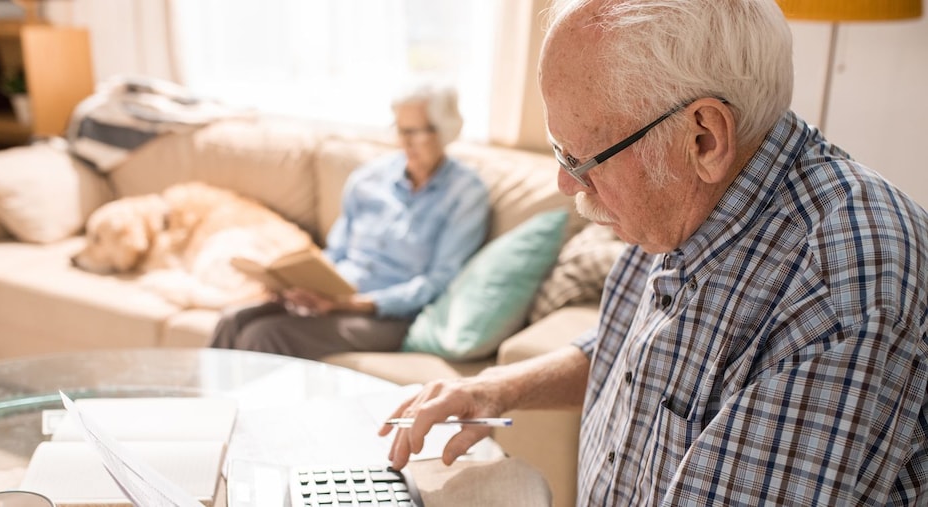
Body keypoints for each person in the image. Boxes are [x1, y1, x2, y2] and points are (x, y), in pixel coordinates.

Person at [380, 1, 928, 505]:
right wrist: (499, 387)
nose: (567, 185)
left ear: (704, 138)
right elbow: (640, 353)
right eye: (559, 150)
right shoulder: (689, 199)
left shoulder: (843, 292)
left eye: (583, 158)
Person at [210, 82, 490, 359]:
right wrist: (299, 286)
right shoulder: (369, 178)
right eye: (399, 129)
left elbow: (439, 282)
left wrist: (357, 305)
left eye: (413, 132)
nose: (404, 142)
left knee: (264, 334)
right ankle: (208, 404)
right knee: (232, 319)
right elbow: (336, 253)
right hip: (333, 297)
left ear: (443, 131)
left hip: (388, 315)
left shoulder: (465, 195)